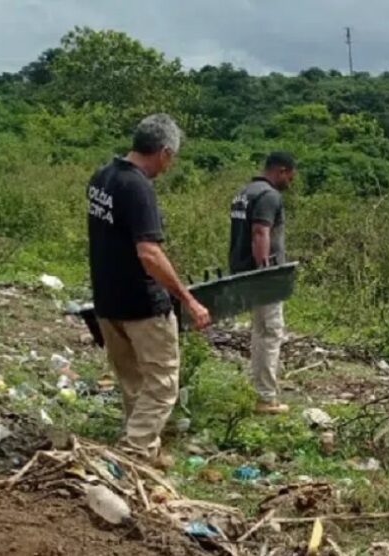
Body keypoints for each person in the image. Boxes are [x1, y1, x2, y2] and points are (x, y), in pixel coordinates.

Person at [87, 113, 210, 467]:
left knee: (133, 381)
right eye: (171, 159)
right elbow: (149, 253)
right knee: (161, 385)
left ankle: (146, 445)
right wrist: (187, 298)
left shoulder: (102, 176)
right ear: (165, 152)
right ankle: (132, 456)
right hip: (141, 303)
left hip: (108, 300)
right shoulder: (137, 187)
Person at [229, 152, 297, 414]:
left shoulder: (243, 192)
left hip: (242, 270)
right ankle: (266, 397)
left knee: (260, 330)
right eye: (289, 177)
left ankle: (259, 388)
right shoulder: (269, 196)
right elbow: (260, 232)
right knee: (271, 331)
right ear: (281, 170)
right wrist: (265, 271)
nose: (289, 182)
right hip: (262, 276)